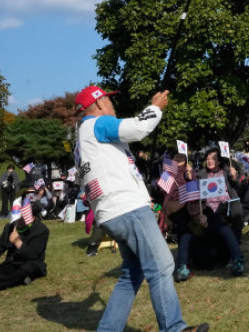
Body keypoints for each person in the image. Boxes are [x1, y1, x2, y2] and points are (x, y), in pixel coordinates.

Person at [74, 84, 208, 332]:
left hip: (111, 213)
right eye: (109, 101)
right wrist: (155, 108)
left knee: (132, 273)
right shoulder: (97, 125)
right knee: (162, 265)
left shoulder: (80, 142)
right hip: (127, 209)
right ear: (100, 102)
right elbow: (136, 128)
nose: (113, 106)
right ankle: (174, 328)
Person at [0, 188, 49, 294]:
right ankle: (18, 280)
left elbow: (33, 255)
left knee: (26, 269)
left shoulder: (41, 230)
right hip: (12, 264)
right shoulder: (10, 227)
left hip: (31, 263)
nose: (19, 219)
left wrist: (18, 242)